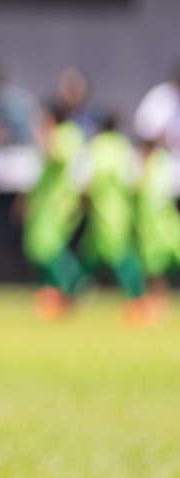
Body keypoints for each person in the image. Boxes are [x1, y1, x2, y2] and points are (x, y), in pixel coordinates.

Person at [83, 115, 152, 323]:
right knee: (92, 256)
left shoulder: (96, 147)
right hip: (121, 211)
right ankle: (69, 296)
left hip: (102, 212)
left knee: (121, 258)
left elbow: (85, 180)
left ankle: (139, 301)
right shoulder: (123, 147)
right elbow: (135, 180)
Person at [23, 103, 86, 319]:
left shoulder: (65, 135)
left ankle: (74, 282)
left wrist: (43, 135)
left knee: (49, 248)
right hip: (45, 205)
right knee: (39, 248)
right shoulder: (58, 135)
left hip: (59, 206)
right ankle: (58, 294)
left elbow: (54, 155)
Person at [135, 137, 180, 307]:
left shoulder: (164, 164)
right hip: (151, 228)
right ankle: (159, 302)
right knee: (154, 268)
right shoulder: (146, 164)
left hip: (167, 226)